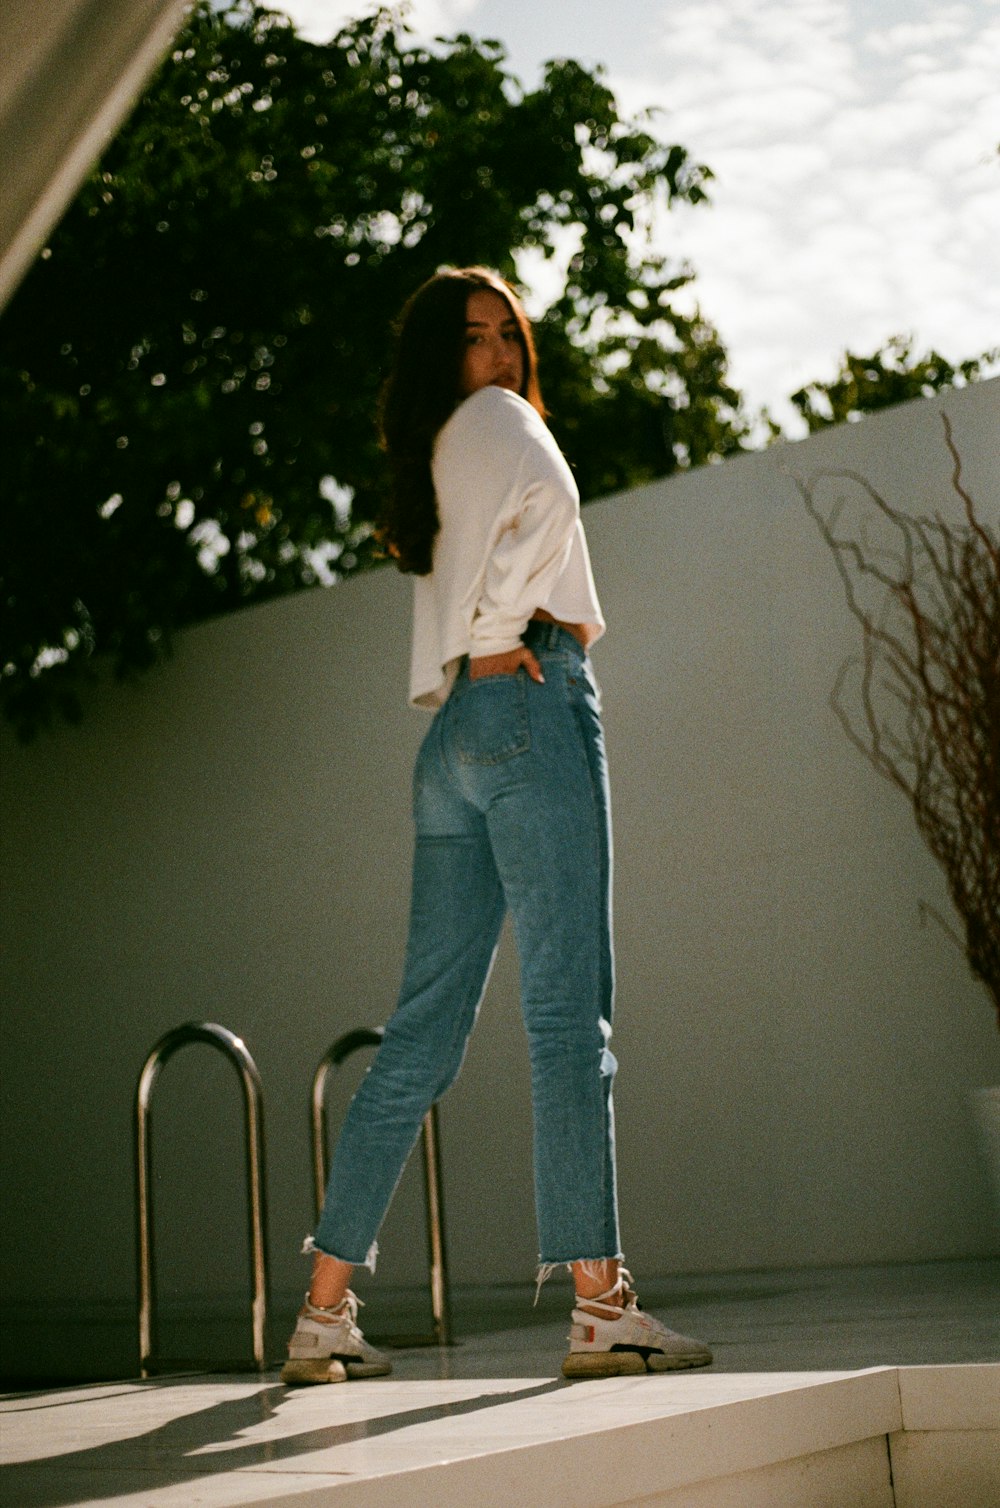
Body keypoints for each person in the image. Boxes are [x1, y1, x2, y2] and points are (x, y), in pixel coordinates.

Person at [281, 266, 712, 1384]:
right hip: (527, 697)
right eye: (476, 338)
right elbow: (556, 507)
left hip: (451, 749)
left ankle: (322, 1312)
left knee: (420, 1033)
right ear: (444, 356)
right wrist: (500, 627)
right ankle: (601, 1303)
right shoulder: (504, 424)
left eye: (509, 335)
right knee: (572, 1015)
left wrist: (476, 640)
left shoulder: (434, 450)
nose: (502, 355)